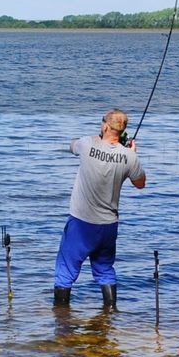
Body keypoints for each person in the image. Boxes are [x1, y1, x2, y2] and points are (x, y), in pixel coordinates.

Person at [53, 108, 146, 309]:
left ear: (105, 126)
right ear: (122, 132)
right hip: (108, 226)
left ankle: (61, 321)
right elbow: (140, 183)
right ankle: (110, 314)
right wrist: (130, 154)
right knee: (105, 269)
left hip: (81, 222)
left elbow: (71, 145)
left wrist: (99, 139)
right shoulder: (129, 156)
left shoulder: (87, 144)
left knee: (65, 271)